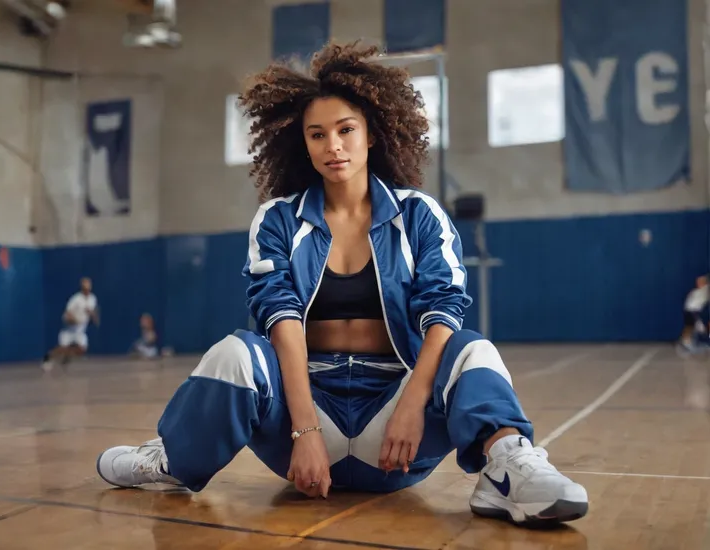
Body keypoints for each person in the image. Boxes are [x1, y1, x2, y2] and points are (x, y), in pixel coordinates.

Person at [96, 42, 588, 528]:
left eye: (345, 129)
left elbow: (443, 309)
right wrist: (305, 428)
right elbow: (280, 320)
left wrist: (413, 404)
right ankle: (175, 460)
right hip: (305, 425)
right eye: (317, 134)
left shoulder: (419, 215)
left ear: (371, 133)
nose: (332, 145)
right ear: (302, 144)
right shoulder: (278, 221)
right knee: (236, 352)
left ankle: (508, 469)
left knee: (470, 348)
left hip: (396, 429)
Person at [43, 277, 99, 370]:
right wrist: (73, 320)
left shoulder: (93, 299)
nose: (87, 289)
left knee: (82, 350)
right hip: (69, 330)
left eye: (88, 286)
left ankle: (67, 357)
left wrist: (93, 316)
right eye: (85, 287)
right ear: (82, 287)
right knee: (62, 348)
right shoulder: (75, 299)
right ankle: (48, 356)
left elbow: (93, 312)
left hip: (80, 331)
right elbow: (66, 315)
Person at [679, 274, 709, 353]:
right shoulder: (695, 291)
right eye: (698, 281)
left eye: (701, 281)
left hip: (693, 312)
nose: (698, 282)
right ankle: (686, 344)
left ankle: (687, 343)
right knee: (690, 327)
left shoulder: (706, 289)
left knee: (696, 328)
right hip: (690, 311)